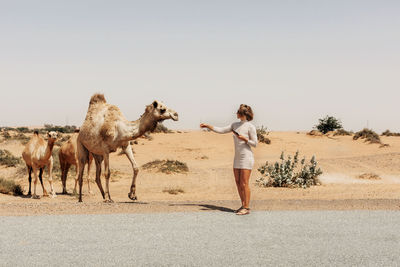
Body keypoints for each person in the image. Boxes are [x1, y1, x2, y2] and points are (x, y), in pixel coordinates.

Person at [200, 104, 257, 215]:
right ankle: (242, 205)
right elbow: (220, 130)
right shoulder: (234, 125)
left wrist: (244, 139)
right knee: (238, 182)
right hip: (237, 158)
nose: (236, 113)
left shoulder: (250, 127)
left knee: (245, 183)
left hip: (247, 157)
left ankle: (247, 207)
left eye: (238, 112)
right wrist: (208, 126)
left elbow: (255, 144)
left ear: (242, 114)